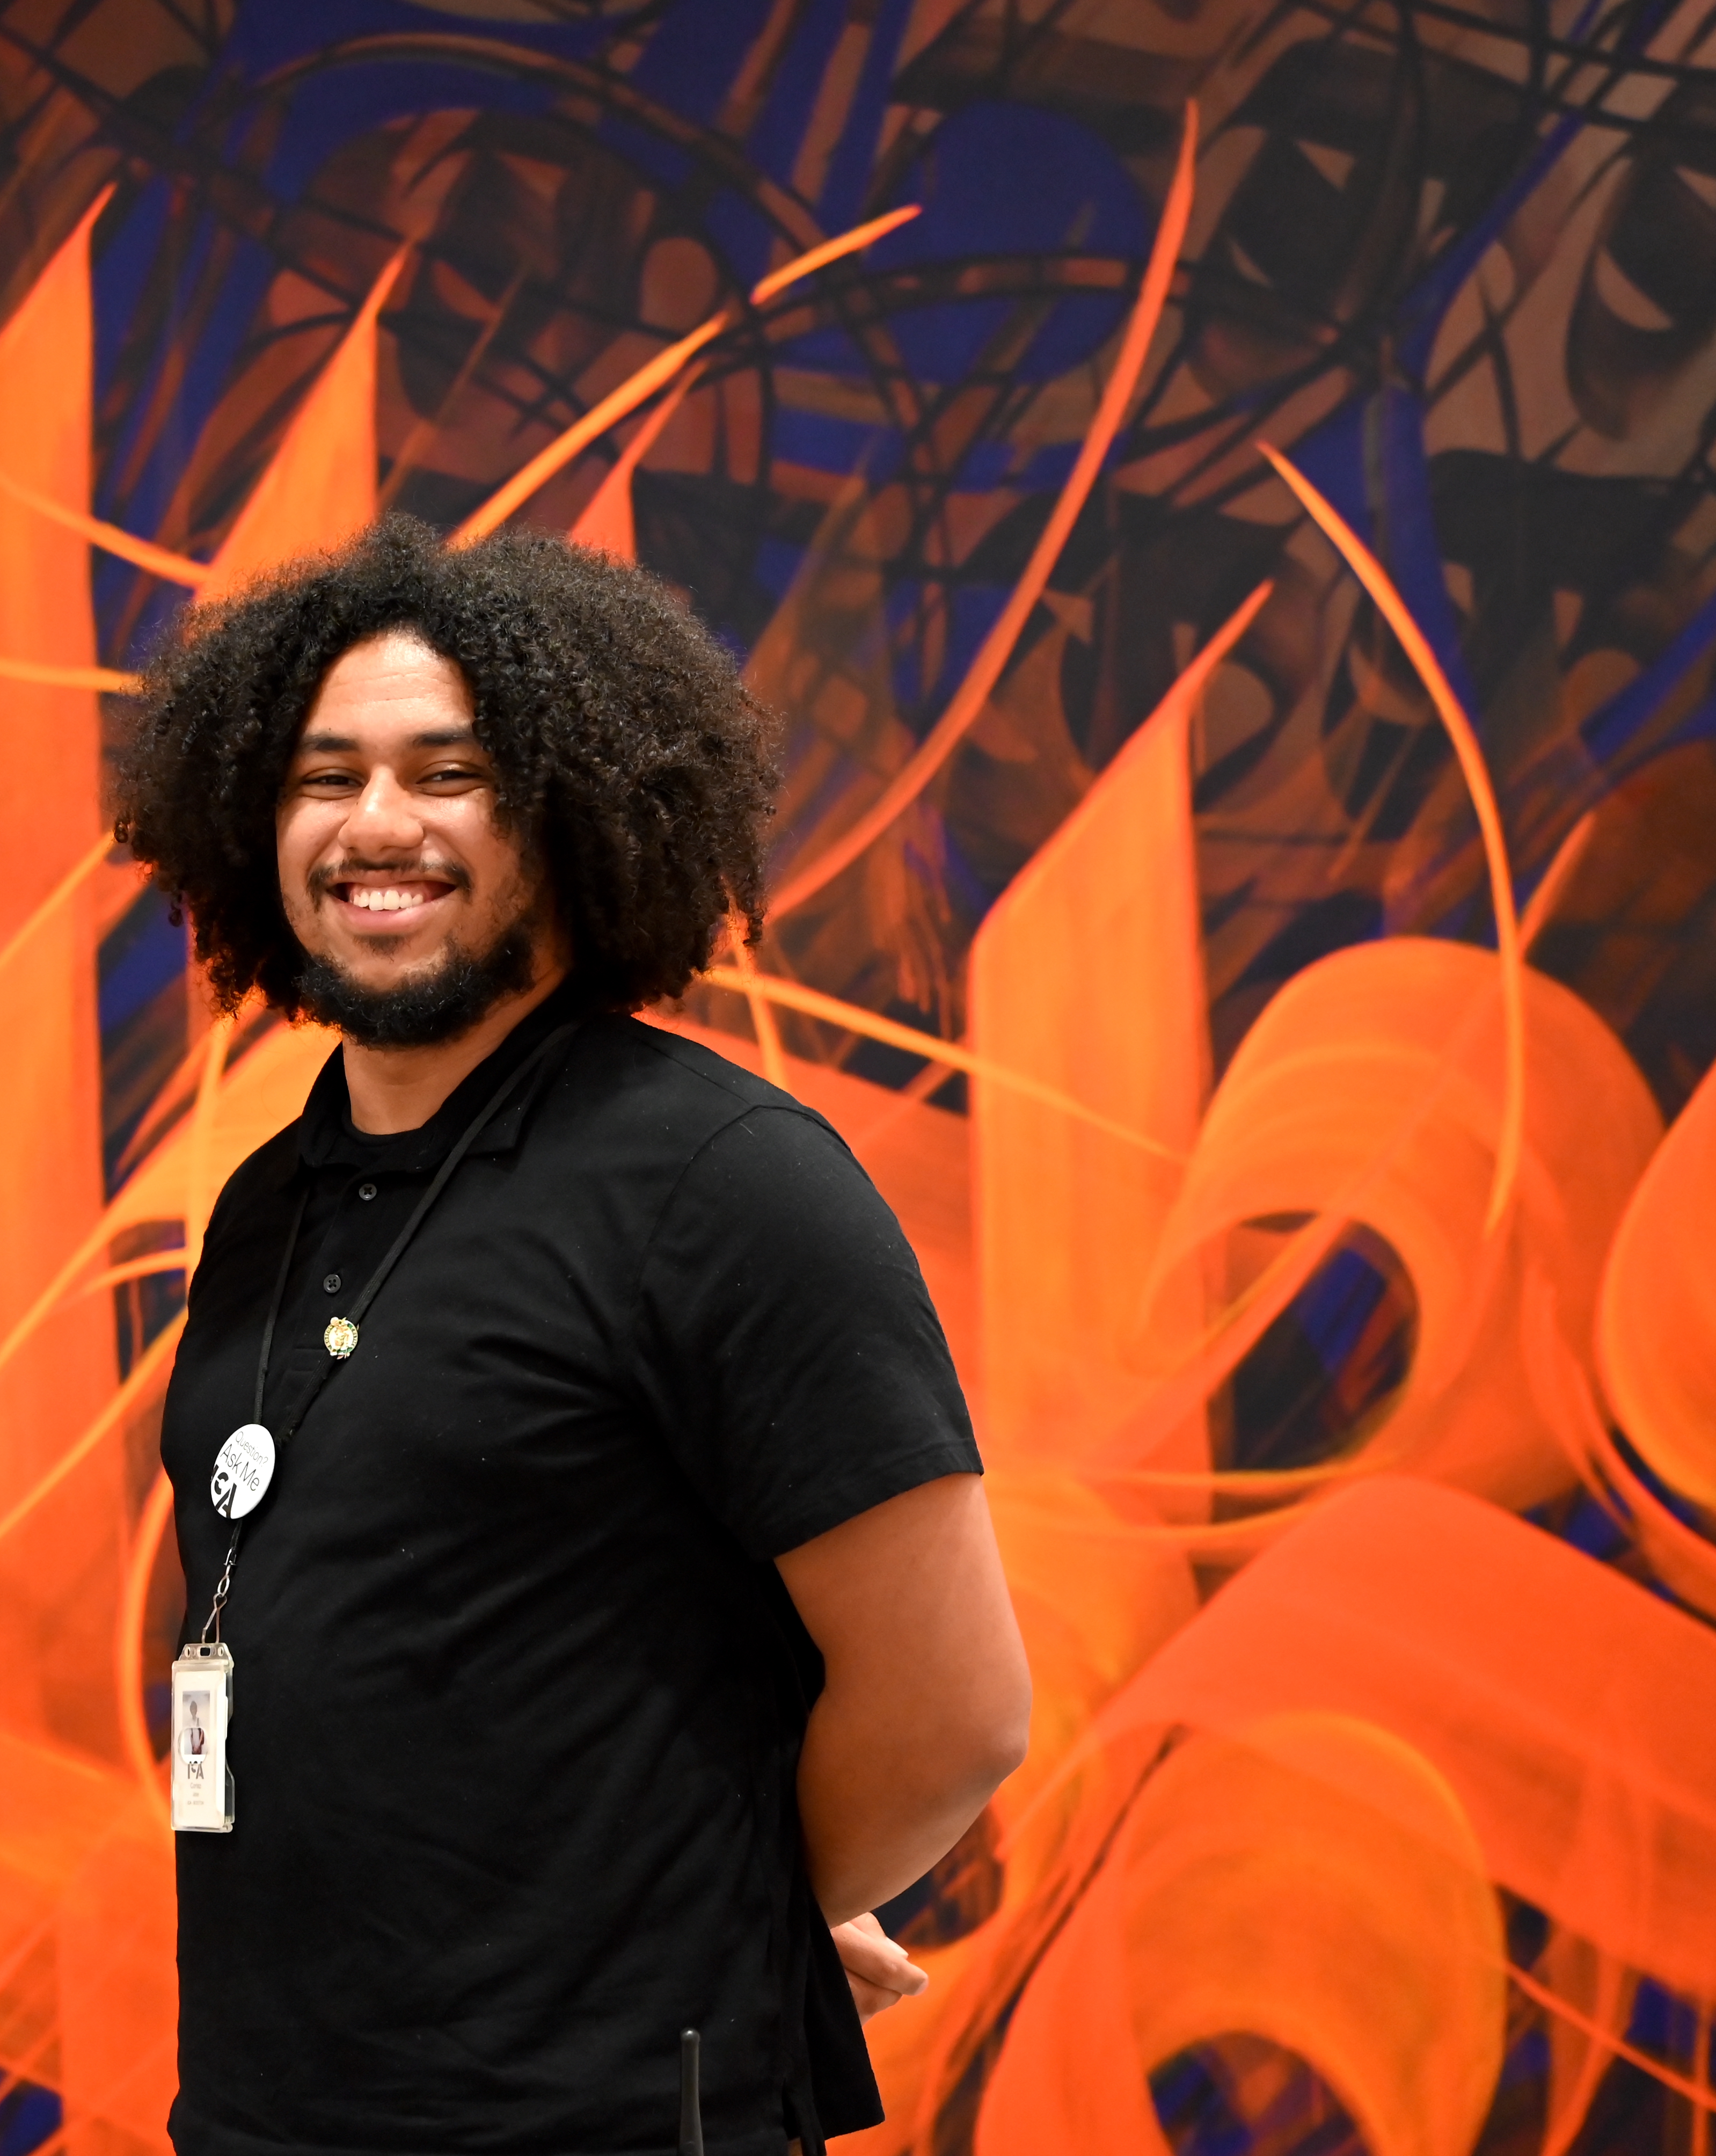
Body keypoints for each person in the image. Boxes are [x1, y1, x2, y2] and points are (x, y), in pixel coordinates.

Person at [115, 516, 1031, 2156]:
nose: (375, 825)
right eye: (324, 778)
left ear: (569, 819)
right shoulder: (270, 1203)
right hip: (272, 2117)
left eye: (445, 773)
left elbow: (956, 1705)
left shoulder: (723, 1184)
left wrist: (711, 1903)